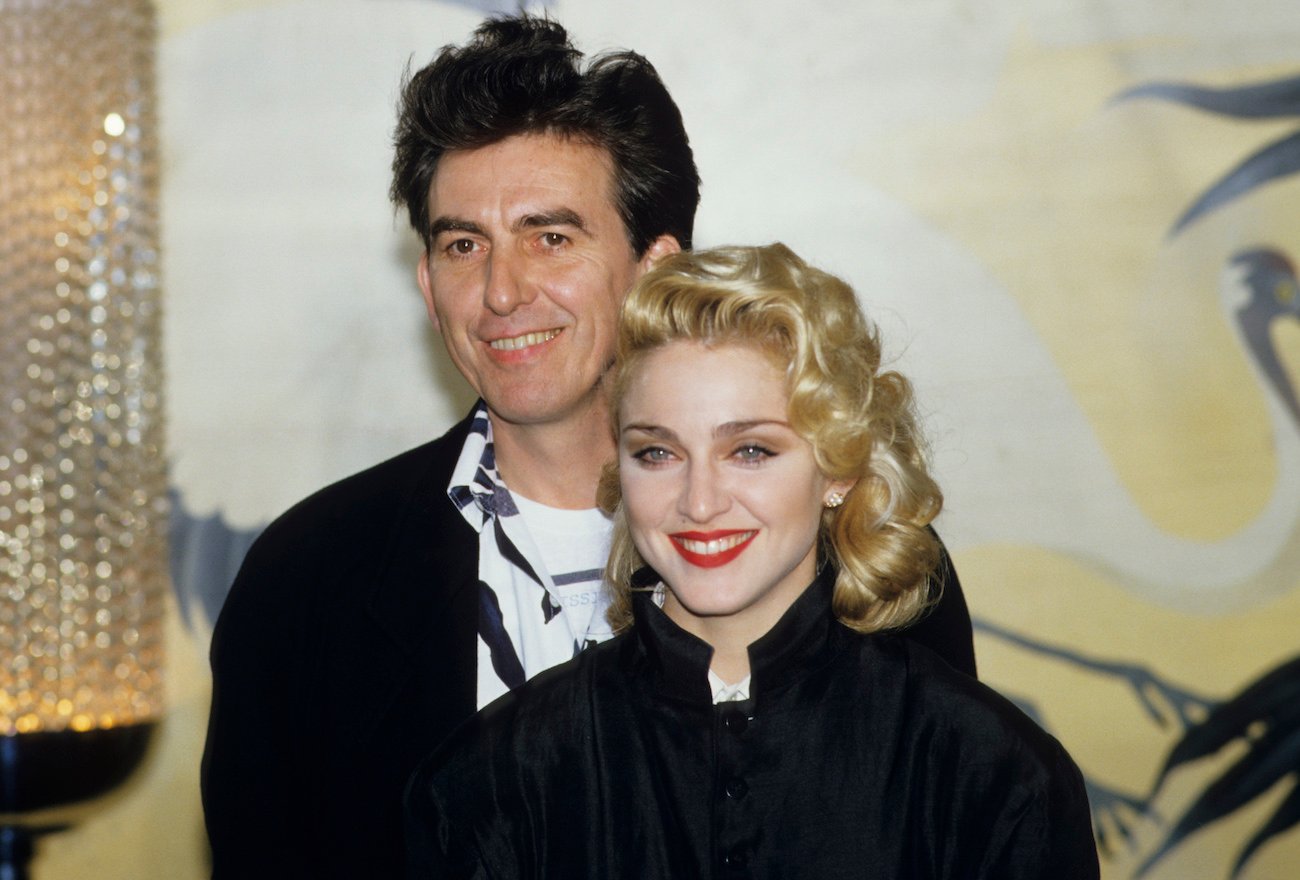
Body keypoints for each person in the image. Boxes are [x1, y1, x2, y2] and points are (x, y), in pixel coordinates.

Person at [201, 15, 976, 878]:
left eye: (551, 236)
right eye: (464, 244)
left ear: (654, 266)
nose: (501, 291)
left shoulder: (868, 565)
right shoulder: (308, 583)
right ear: (427, 283)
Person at [404, 243, 1098, 879]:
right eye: (658, 452)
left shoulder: (994, 776)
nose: (699, 502)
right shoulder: (491, 780)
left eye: (751, 451)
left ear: (838, 469)